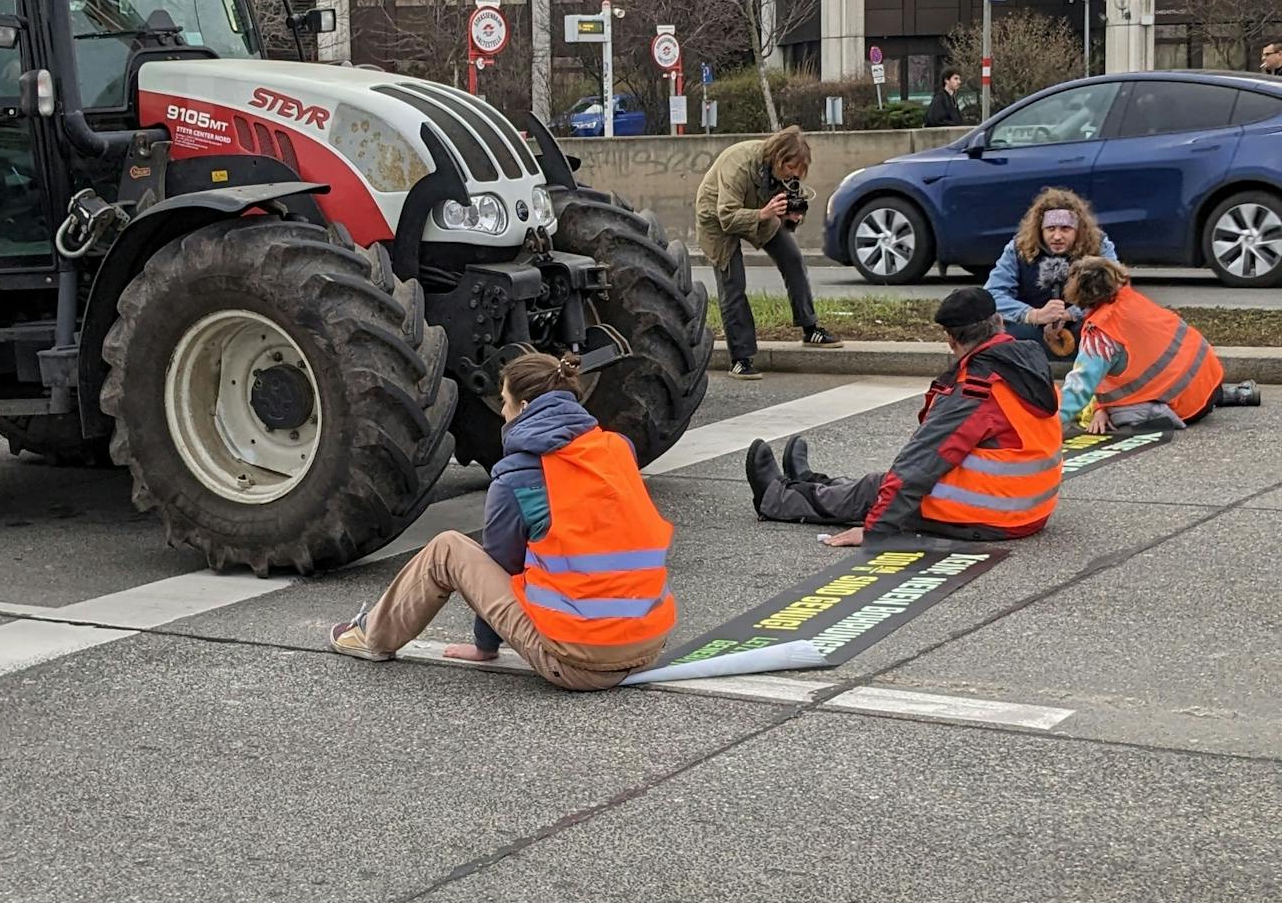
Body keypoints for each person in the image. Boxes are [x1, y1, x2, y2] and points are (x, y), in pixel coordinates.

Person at [329, 350, 674, 690]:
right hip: (648, 648)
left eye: (504, 402)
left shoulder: (517, 476)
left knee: (446, 550)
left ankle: (371, 636)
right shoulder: (618, 449)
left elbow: (501, 564)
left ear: (524, 408)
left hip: (579, 665)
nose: (503, 412)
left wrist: (485, 646)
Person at [745, 286, 1062, 544]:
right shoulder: (1023, 364)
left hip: (988, 516)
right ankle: (809, 483)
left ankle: (775, 498)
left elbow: (918, 466)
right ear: (1000, 326)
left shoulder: (975, 390)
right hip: (1029, 508)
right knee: (880, 487)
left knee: (878, 489)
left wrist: (875, 531)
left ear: (952, 340)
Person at [695, 123, 841, 380]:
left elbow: (789, 211)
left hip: (761, 212)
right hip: (717, 218)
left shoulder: (788, 175)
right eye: (789, 167)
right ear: (776, 156)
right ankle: (740, 357)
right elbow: (727, 216)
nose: (792, 175)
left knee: (793, 258)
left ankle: (810, 327)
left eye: (798, 171)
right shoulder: (739, 164)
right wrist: (764, 213)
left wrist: (793, 217)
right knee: (733, 282)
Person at [1058, 257, 1252, 433]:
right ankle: (1232, 395)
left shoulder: (1101, 333)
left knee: (1117, 415)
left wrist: (1054, 422)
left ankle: (1159, 415)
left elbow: (1080, 386)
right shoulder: (1130, 300)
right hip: (1210, 380)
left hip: (1186, 405)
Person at [986, 189, 1118, 355]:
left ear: (1078, 230)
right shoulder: (1018, 248)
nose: (1057, 236)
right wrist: (1033, 315)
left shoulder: (1099, 247)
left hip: (1083, 327)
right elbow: (993, 293)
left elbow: (1115, 290)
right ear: (1040, 229)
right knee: (1001, 332)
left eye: (1065, 229)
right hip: (1030, 330)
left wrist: (1071, 314)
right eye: (1050, 229)